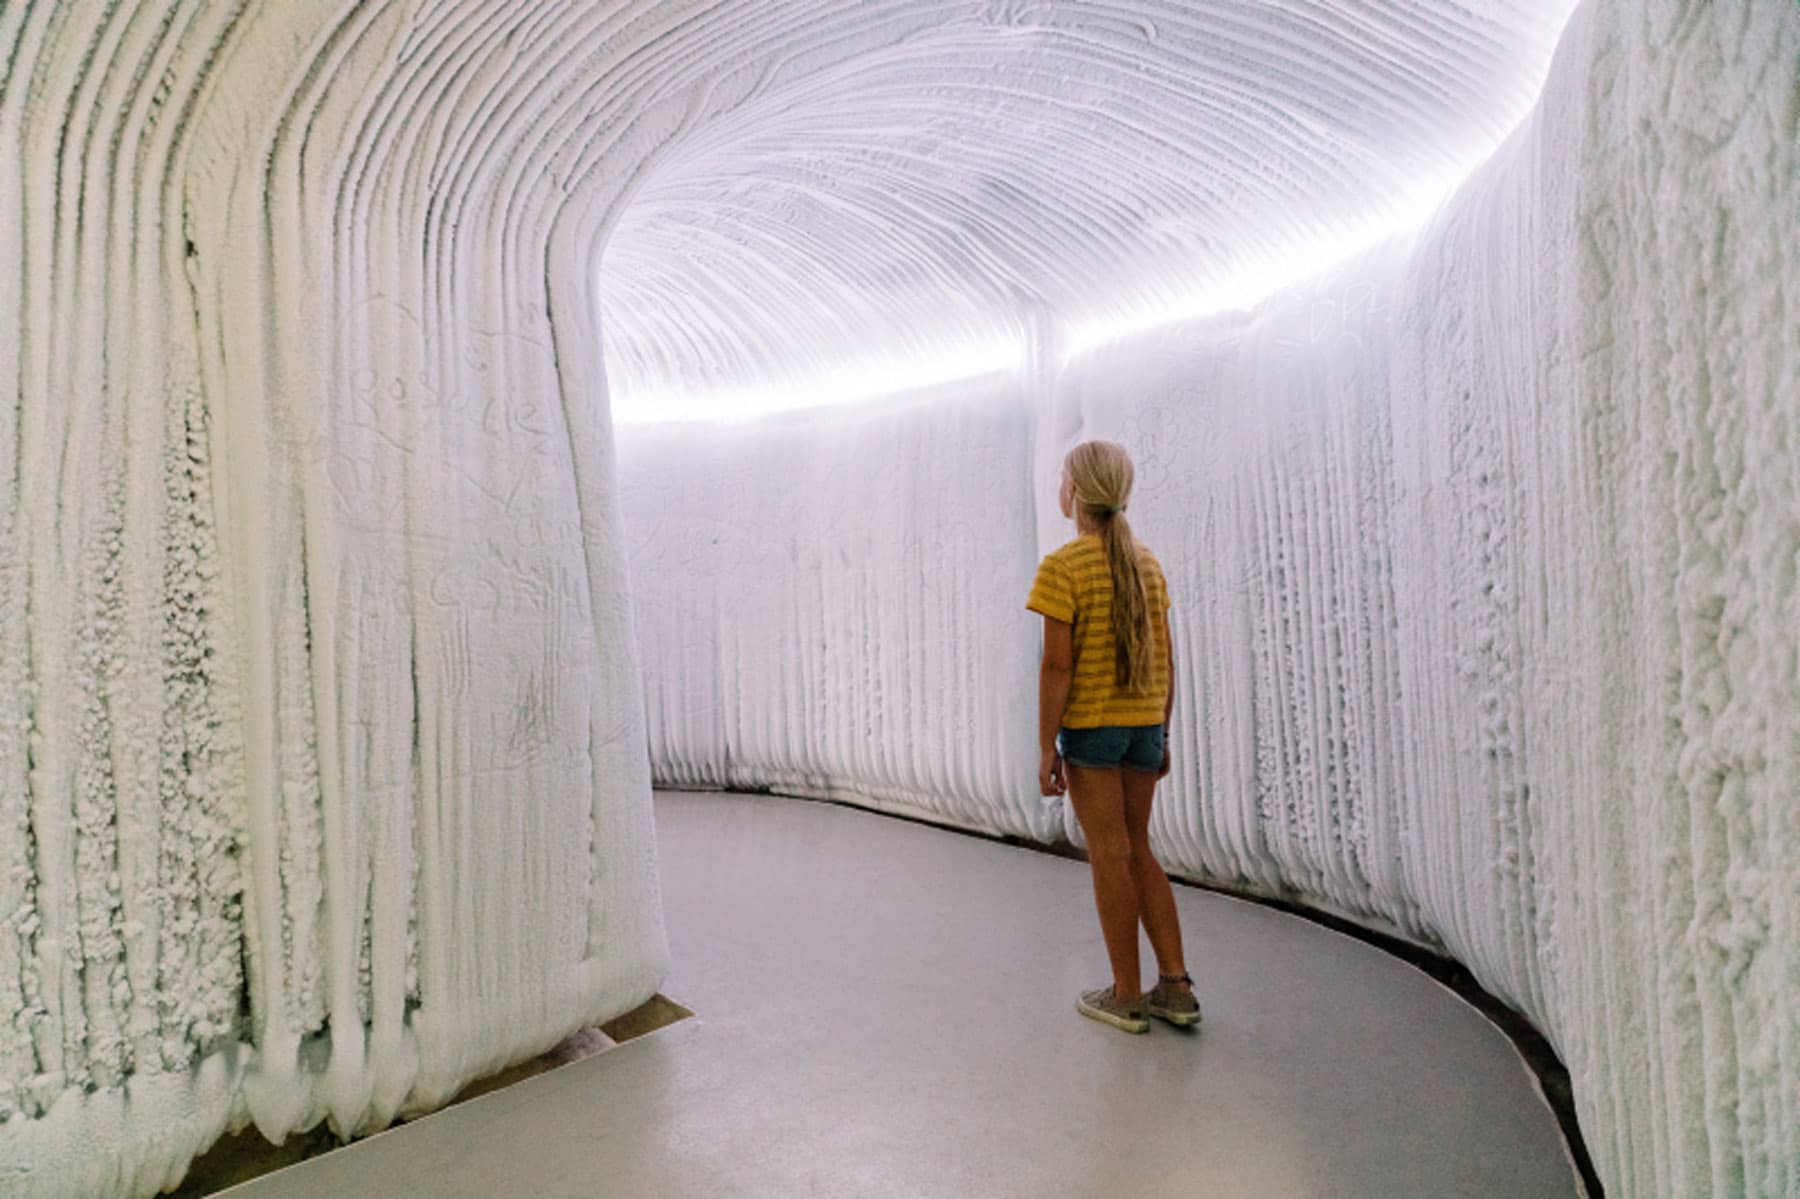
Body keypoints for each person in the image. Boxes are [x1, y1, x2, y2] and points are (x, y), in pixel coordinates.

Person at [1026, 440, 1200, 1034]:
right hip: (1146, 727)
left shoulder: (1064, 567)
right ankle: (1175, 987)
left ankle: (1126, 994)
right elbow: (1167, 660)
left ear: (1073, 492)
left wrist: (1047, 744)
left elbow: (1057, 668)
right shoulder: (1147, 563)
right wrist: (1164, 733)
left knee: (1109, 855)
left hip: (1094, 731)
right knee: (1140, 848)